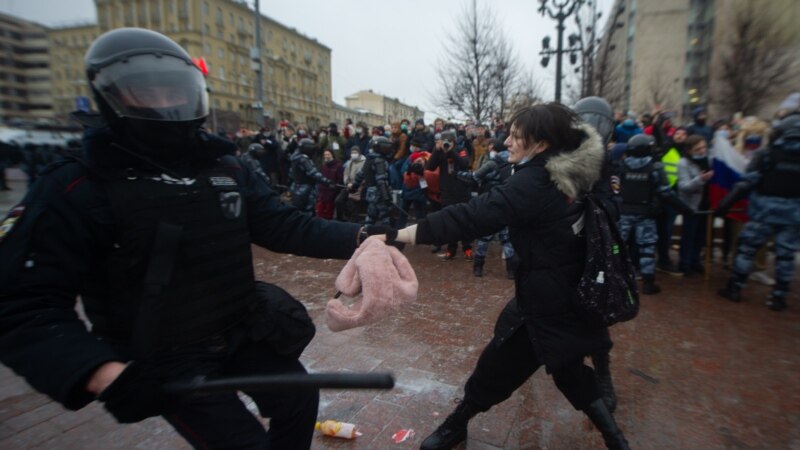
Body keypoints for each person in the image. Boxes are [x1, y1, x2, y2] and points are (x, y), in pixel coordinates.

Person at [0, 28, 383, 449]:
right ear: (112, 97)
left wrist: (365, 236)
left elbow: (284, 225)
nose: (166, 104)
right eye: (148, 93)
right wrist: (105, 374)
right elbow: (23, 307)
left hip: (240, 329)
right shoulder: (77, 186)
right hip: (165, 359)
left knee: (298, 397)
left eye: (174, 91)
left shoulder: (225, 168)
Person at [387, 103, 629, 450]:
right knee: (568, 369)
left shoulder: (537, 181)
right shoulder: (573, 169)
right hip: (566, 293)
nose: (507, 141)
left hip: (545, 304)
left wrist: (401, 233)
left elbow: (473, 216)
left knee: (497, 369)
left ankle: (455, 427)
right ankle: (616, 440)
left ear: (541, 144)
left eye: (517, 136)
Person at [717, 111, 800, 311]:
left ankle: (735, 288)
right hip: (792, 214)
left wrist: (724, 205)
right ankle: (778, 297)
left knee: (746, 250)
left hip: (764, 211)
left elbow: (745, 184)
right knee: (786, 256)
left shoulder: (767, 154)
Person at [617, 134, 693, 294]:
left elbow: (615, 191)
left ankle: (615, 280)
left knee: (618, 247)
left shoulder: (621, 166)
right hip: (646, 215)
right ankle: (648, 283)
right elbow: (666, 193)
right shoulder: (655, 167)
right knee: (647, 248)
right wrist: (685, 209)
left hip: (624, 214)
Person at [426, 130, 473, 260]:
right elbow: (430, 167)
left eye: (449, 142)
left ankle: (467, 248)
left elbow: (465, 164)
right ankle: (451, 249)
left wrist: (451, 151)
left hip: (462, 191)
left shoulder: (461, 149)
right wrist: (436, 150)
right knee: (450, 221)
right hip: (447, 192)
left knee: (464, 221)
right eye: (444, 141)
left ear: (454, 141)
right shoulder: (439, 152)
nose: (447, 144)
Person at [677, 135, 714, 276]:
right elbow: (684, 186)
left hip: (706, 203)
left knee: (700, 235)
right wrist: (700, 179)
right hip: (691, 205)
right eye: (698, 149)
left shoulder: (709, 161)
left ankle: (695, 261)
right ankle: (684, 263)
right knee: (689, 235)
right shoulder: (684, 163)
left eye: (704, 147)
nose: (702, 151)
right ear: (690, 150)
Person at [349, 136, 394, 226]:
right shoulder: (379, 161)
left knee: (371, 216)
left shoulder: (369, 159)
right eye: (384, 147)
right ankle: (387, 236)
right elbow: (381, 180)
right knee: (386, 217)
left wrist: (354, 187)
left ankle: (365, 233)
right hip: (379, 193)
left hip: (370, 192)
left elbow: (360, 175)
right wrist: (386, 197)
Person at [290, 138, 335, 214]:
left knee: (299, 212)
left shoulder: (295, 158)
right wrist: (327, 182)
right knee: (308, 212)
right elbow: (313, 173)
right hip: (305, 189)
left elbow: (290, 174)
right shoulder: (303, 159)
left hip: (296, 188)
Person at [316, 149, 343, 219]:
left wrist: (334, 190)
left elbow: (339, 180)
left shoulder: (338, 166)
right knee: (320, 213)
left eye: (328, 154)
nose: (327, 156)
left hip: (331, 194)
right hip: (322, 194)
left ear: (332, 155)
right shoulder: (324, 166)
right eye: (325, 155)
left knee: (328, 215)